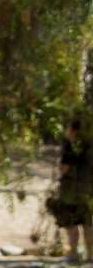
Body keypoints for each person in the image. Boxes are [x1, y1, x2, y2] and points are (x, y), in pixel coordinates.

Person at [50, 110, 93, 260]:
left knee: (72, 223)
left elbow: (64, 168)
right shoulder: (88, 146)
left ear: (73, 130)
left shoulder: (69, 147)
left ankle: (73, 253)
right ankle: (90, 255)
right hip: (87, 191)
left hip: (71, 191)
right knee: (87, 222)